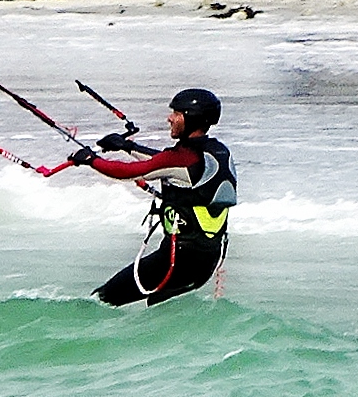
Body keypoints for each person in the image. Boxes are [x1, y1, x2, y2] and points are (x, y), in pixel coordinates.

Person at [68, 88, 237, 306]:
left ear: (191, 118)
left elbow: (129, 172)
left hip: (176, 263)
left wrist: (91, 160)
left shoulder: (182, 158)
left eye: (177, 113)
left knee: (103, 301)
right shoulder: (218, 152)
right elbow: (163, 161)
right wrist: (128, 146)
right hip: (205, 264)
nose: (170, 118)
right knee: (159, 317)